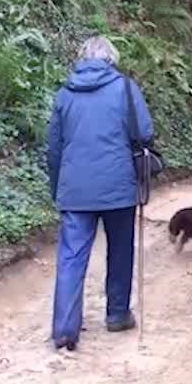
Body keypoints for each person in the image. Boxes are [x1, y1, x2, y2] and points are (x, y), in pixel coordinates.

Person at [45, 35, 155, 351]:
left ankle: (65, 330)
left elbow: (53, 148)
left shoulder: (65, 93)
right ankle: (117, 314)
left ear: (83, 59)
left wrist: (58, 187)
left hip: (75, 189)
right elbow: (145, 133)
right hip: (118, 187)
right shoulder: (125, 88)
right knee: (120, 249)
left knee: (71, 257)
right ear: (111, 60)